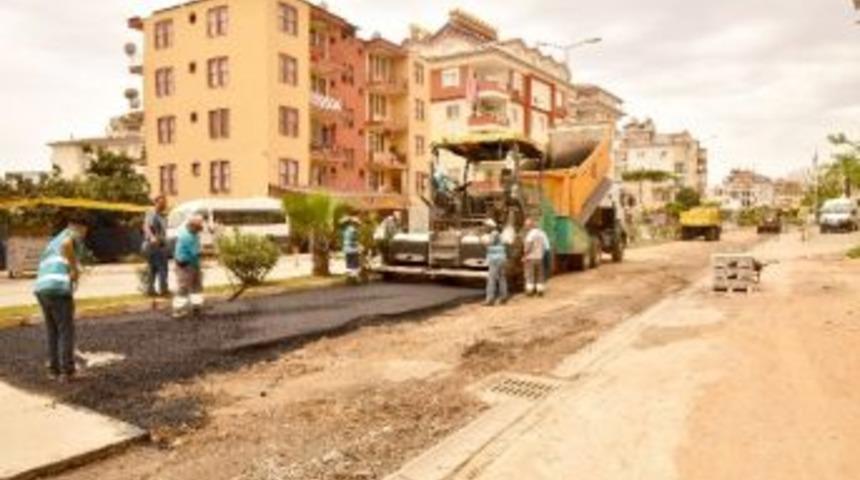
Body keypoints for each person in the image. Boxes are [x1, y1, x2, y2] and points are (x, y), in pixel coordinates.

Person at [34, 213, 88, 381]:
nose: (84, 235)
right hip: (58, 289)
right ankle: (67, 371)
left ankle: (53, 370)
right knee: (66, 331)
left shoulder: (53, 240)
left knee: (53, 331)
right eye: (85, 231)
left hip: (42, 288)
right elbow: (67, 245)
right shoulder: (70, 235)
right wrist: (74, 269)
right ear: (79, 227)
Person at [172, 215, 205, 318]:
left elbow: (198, 249)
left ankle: (196, 308)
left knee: (197, 287)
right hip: (184, 265)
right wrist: (212, 253)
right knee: (183, 288)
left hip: (193, 264)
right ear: (192, 225)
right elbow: (196, 252)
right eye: (198, 226)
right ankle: (178, 310)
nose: (200, 229)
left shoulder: (194, 234)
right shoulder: (187, 236)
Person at [142, 195, 170, 297]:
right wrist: (152, 237)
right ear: (156, 202)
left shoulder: (163, 215)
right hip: (153, 245)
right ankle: (163, 290)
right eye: (162, 202)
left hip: (161, 244)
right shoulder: (152, 213)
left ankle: (151, 290)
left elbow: (164, 231)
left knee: (155, 268)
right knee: (160, 268)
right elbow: (146, 227)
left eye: (164, 202)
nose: (164, 204)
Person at [484, 220, 508, 306]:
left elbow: (490, 244)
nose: (485, 228)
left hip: (495, 259)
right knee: (502, 278)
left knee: (491, 279)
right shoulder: (498, 234)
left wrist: (484, 242)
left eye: (486, 226)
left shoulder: (494, 234)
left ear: (490, 226)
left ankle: (490, 299)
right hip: (501, 258)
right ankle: (503, 297)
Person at [523, 218, 549, 296]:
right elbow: (545, 246)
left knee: (530, 274)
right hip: (540, 257)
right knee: (539, 275)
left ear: (530, 226)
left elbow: (527, 247)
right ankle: (540, 290)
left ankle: (530, 291)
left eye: (526, 225)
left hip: (531, 258)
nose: (525, 227)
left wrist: (524, 255)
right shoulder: (541, 234)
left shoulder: (530, 234)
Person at [342, 217, 360, 281]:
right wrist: (358, 245)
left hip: (346, 249)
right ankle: (354, 277)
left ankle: (349, 276)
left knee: (349, 263)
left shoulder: (345, 230)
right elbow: (354, 239)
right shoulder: (353, 230)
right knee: (355, 263)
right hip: (353, 249)